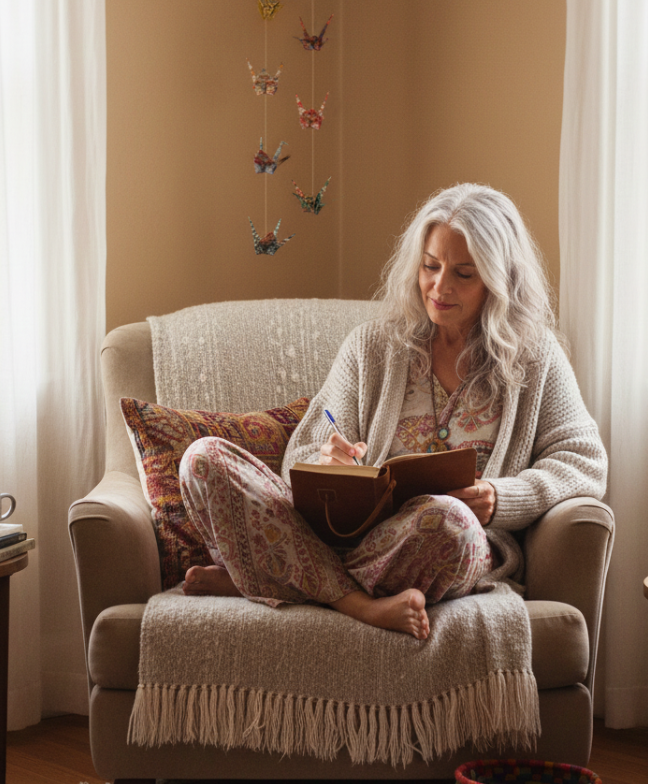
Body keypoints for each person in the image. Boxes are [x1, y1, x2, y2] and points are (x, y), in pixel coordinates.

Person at [178, 183, 607, 640]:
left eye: (463, 274)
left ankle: (268, 573)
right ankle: (362, 605)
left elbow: (583, 461)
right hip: (343, 537)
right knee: (203, 458)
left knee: (452, 524)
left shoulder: (535, 357)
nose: (439, 287)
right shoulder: (371, 347)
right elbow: (301, 452)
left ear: (500, 281)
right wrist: (326, 462)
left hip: (435, 543)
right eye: (430, 266)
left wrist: (500, 497)